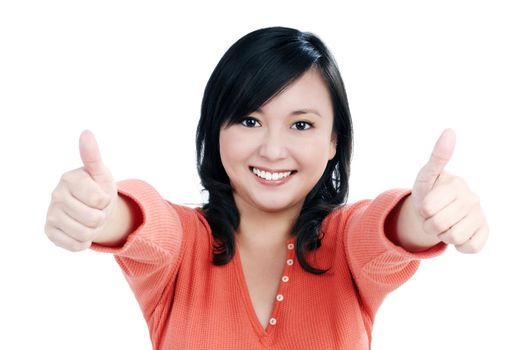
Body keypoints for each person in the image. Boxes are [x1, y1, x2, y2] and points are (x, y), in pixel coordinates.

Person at [44, 27, 489, 349]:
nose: (274, 149)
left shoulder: (346, 245)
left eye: (301, 124)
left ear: (334, 141)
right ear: (216, 129)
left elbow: (389, 231)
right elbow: (145, 222)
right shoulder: (183, 248)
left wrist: (429, 214)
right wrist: (99, 212)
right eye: (250, 120)